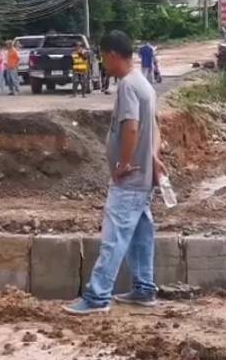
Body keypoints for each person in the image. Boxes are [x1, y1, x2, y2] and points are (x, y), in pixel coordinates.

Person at [64, 30, 165, 315]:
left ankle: (97, 297)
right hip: (143, 177)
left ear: (111, 55)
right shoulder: (144, 84)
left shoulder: (128, 86)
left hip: (130, 180)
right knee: (141, 234)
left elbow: (131, 127)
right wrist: (153, 156)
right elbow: (154, 127)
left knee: (114, 237)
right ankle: (144, 289)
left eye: (103, 58)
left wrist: (122, 163)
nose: (103, 65)